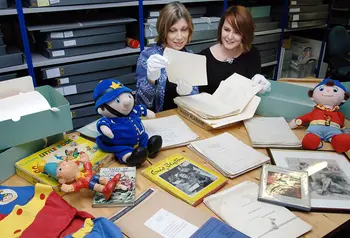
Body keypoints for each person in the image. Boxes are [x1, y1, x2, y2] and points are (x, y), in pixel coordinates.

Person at [136, 2, 199, 112]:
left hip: (183, 121)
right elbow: (142, 105)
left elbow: (195, 106)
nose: (179, 37)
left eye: (184, 29)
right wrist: (150, 80)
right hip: (157, 121)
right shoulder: (147, 56)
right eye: (172, 30)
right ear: (163, 31)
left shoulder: (191, 57)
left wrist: (188, 94)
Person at [198, 5, 271, 94]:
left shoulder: (252, 54)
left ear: (245, 34)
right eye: (226, 29)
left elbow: (252, 91)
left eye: (237, 32)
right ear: (221, 28)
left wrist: (260, 85)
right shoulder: (203, 58)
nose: (230, 37)